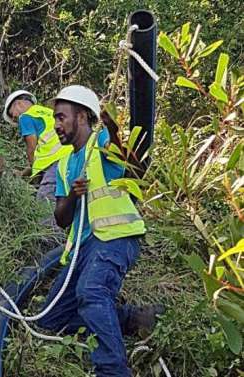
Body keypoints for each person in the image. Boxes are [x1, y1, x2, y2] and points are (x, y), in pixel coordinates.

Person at [35, 85, 164, 377]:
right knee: (52, 319)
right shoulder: (66, 162)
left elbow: (135, 170)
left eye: (61, 118)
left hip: (114, 238)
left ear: (82, 117)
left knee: (91, 291)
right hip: (82, 249)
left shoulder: (102, 141)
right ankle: (131, 318)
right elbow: (61, 219)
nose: (56, 125)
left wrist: (115, 131)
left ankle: (112, 371)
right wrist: (72, 196)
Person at [2, 90, 73, 201]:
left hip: (56, 163)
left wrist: (35, 175)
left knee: (45, 199)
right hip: (73, 156)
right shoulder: (48, 112)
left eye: (13, 115)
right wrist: (24, 173)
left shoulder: (25, 117)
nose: (15, 119)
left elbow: (31, 147)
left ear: (18, 104)